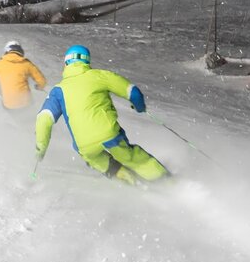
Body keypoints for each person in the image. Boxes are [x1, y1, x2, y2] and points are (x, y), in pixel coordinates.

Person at [35, 44, 169, 184]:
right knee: (128, 155)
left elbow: (43, 119)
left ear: (66, 63)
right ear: (87, 61)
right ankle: (163, 180)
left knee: (95, 158)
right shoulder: (99, 76)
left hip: (83, 144)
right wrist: (139, 107)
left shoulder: (58, 90)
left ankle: (125, 177)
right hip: (108, 133)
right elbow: (133, 92)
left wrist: (41, 148)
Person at [0, 41, 47, 115]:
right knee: (30, 114)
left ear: (6, 51)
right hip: (26, 103)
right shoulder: (27, 64)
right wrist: (39, 87)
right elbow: (42, 81)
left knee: (10, 108)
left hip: (9, 105)